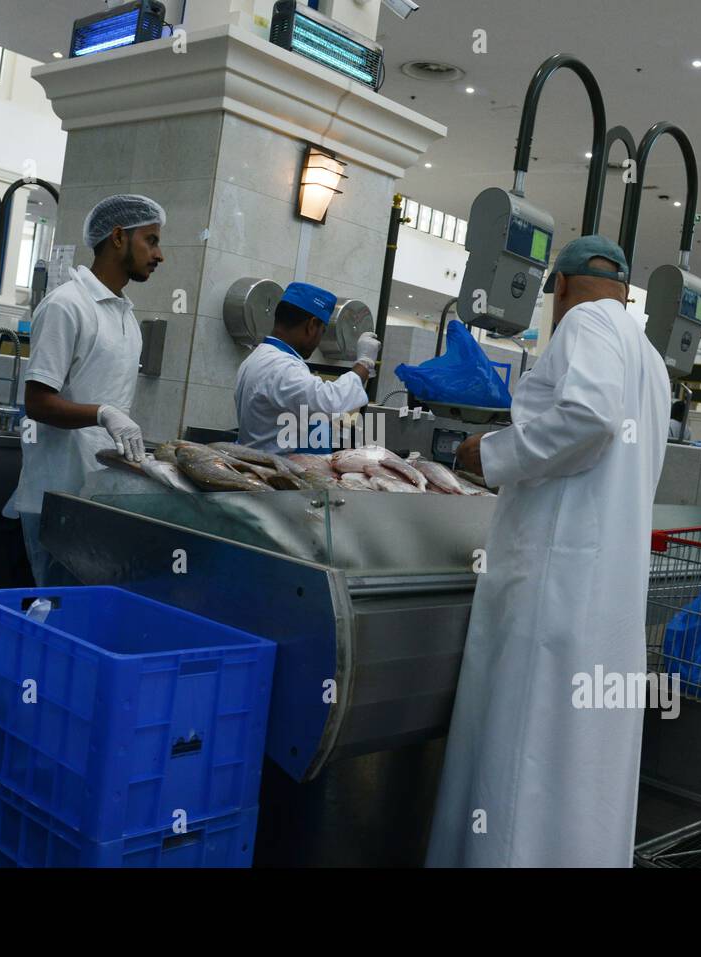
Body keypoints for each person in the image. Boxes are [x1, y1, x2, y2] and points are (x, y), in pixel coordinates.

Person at [426, 236, 669, 867]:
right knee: (579, 765)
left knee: (524, 757)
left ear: (560, 287)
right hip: (601, 594)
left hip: (556, 588)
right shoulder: (648, 355)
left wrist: (493, 454)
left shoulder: (585, 322)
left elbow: (588, 416)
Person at [4, 194, 165, 586]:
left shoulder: (123, 313)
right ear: (117, 237)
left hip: (100, 493)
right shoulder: (67, 306)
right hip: (59, 495)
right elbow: (37, 402)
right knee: (56, 607)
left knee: (85, 610)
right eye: (151, 240)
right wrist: (101, 413)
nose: (159, 255)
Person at [234, 282, 380, 453]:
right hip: (279, 471)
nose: (319, 341)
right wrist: (364, 362)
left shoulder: (259, 357)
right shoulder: (281, 367)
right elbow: (330, 401)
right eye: (322, 331)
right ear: (312, 325)